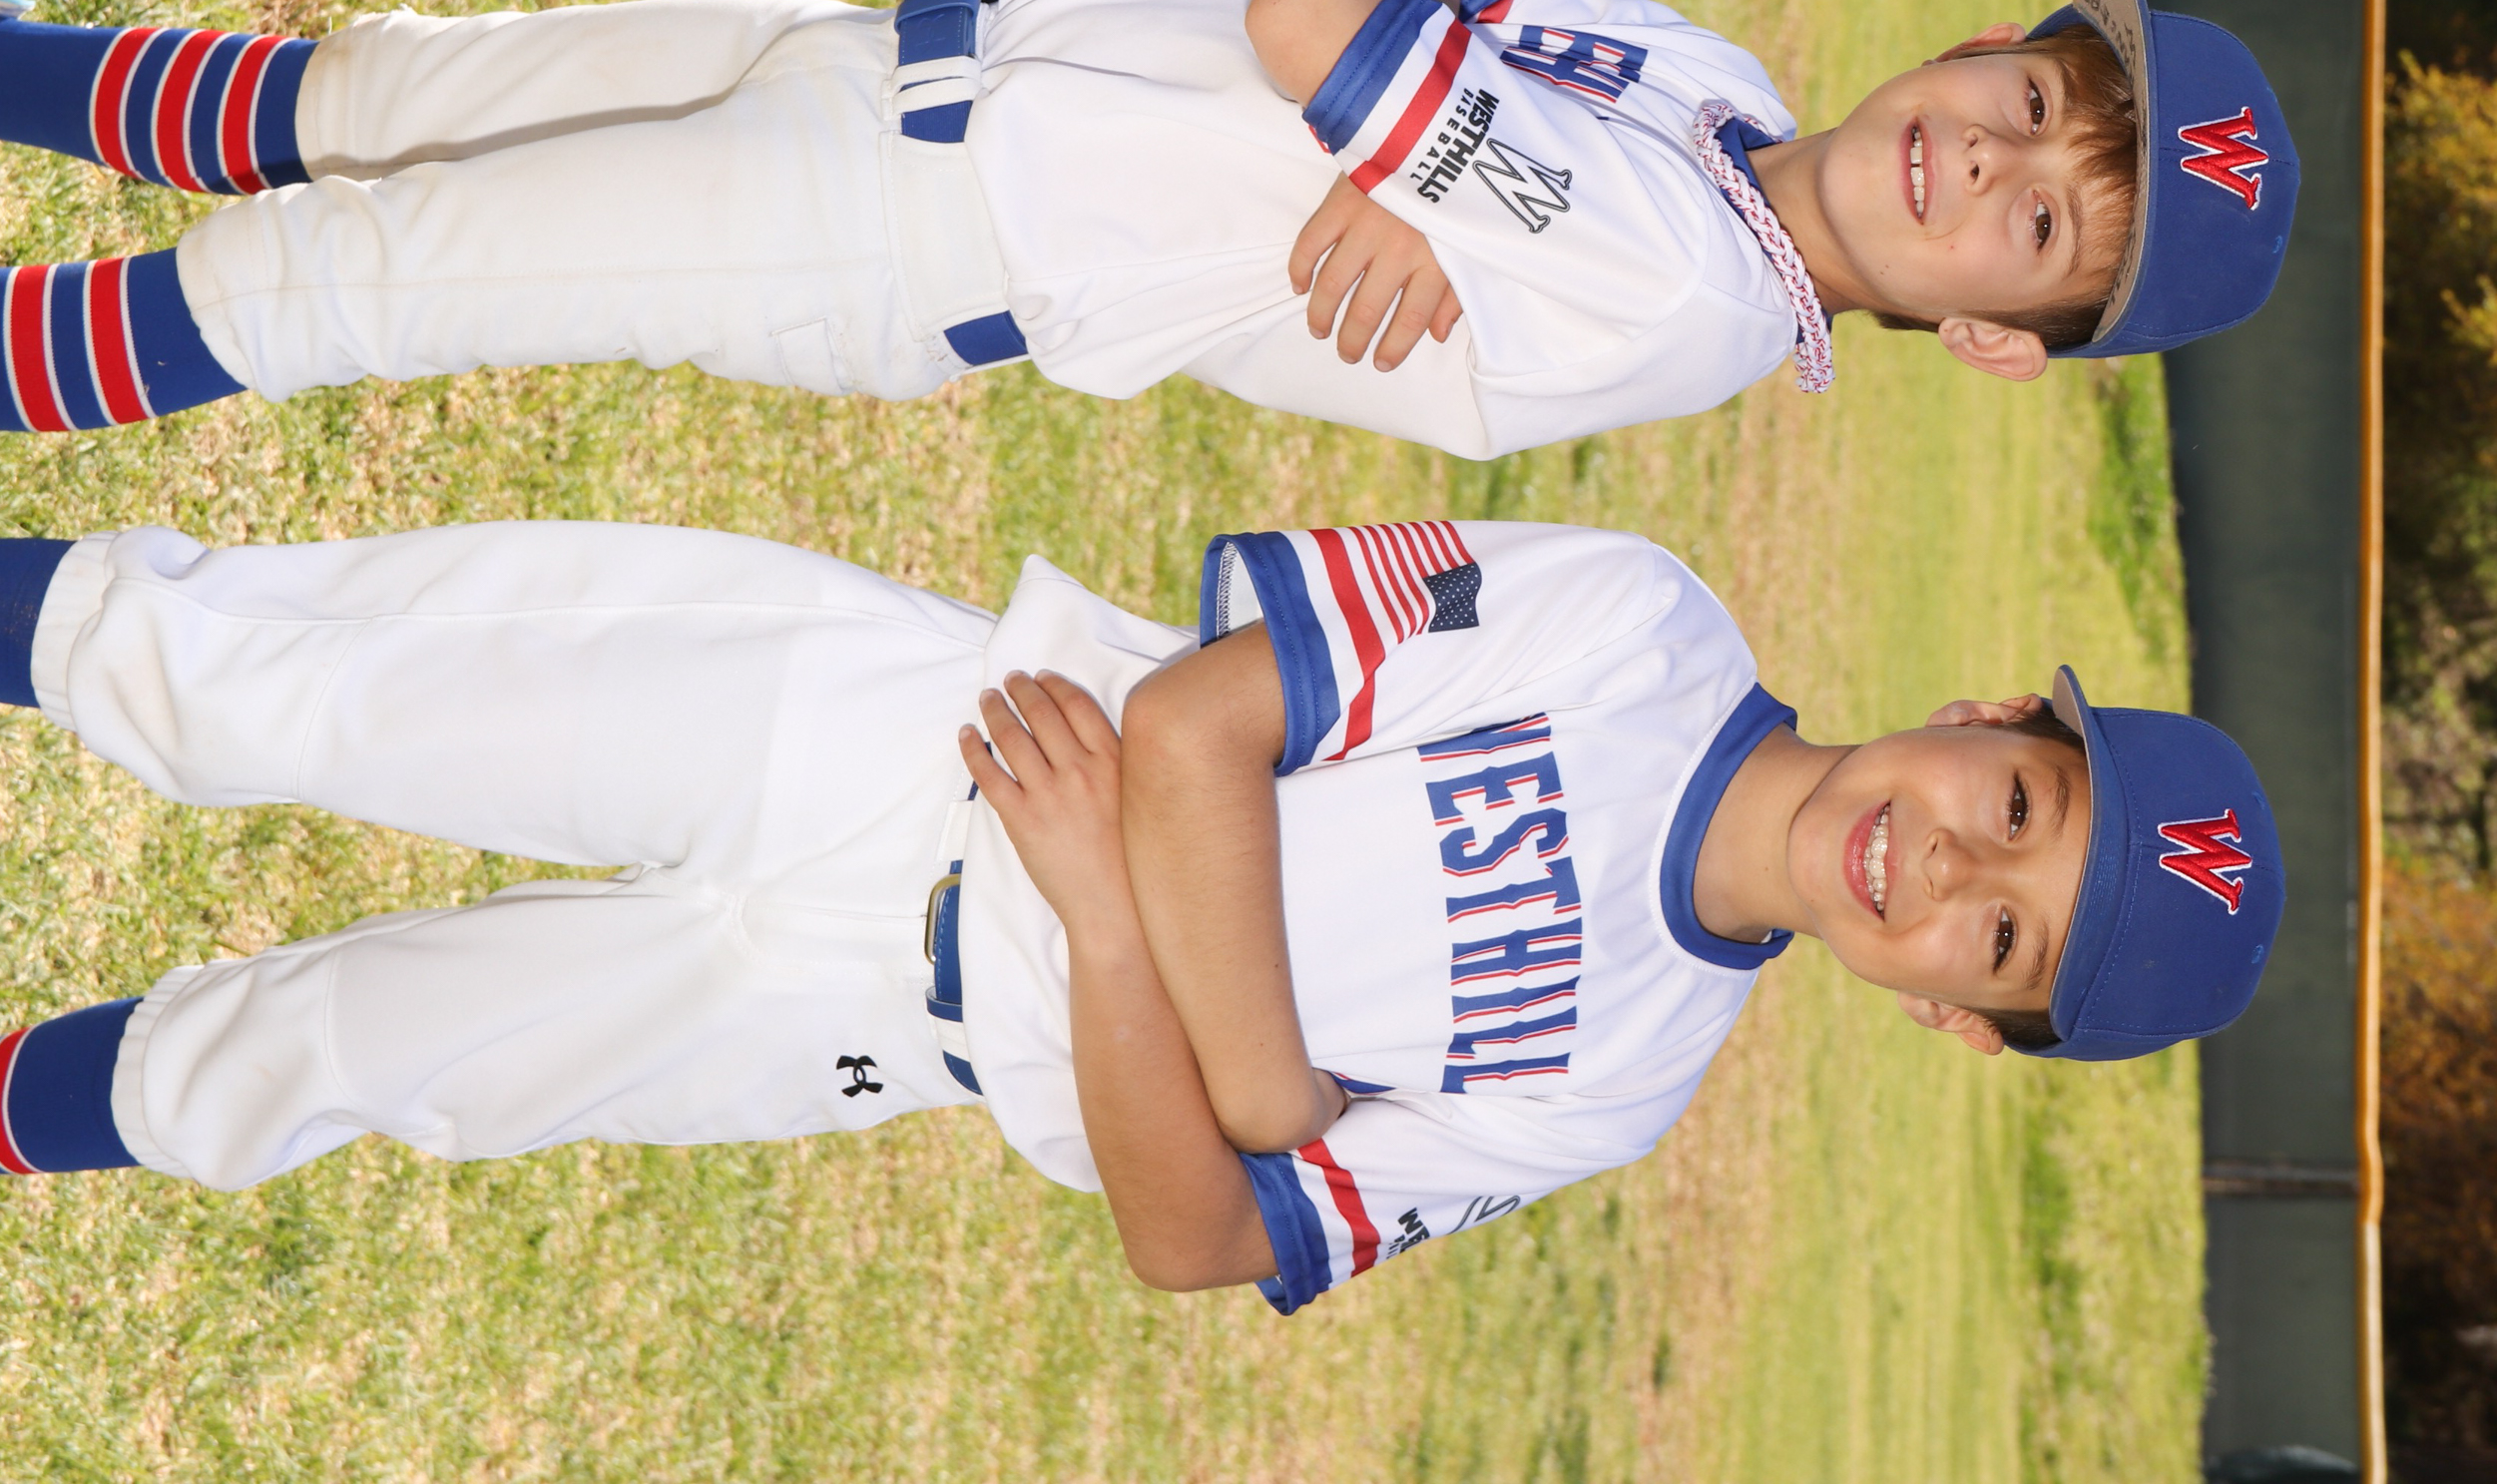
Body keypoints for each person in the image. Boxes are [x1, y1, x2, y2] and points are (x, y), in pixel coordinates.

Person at [0, 509, 2278, 1311]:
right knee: (263, 682)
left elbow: (1193, 1236)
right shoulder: (1641, 629)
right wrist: (1251, 1075)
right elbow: (1191, 723)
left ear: (1954, 1019)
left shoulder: (1625, 1084)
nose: (1947, 867)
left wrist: (1118, 929)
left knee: (324, 1064)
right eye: (2012, 804)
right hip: (891, 731)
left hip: (879, 1027)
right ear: (1982, 715)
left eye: (2000, 937)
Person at [0, 0, 2297, 457]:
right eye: (2030, 105)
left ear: (1995, 340)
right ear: (1982, 47)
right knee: (371, 96)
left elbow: (1324, 1)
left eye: (2038, 230)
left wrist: (1416, 8)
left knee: (355, 274)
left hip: (909, 227)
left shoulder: (1683, 288)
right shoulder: (1711, 87)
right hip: (914, 59)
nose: (1982, 161)